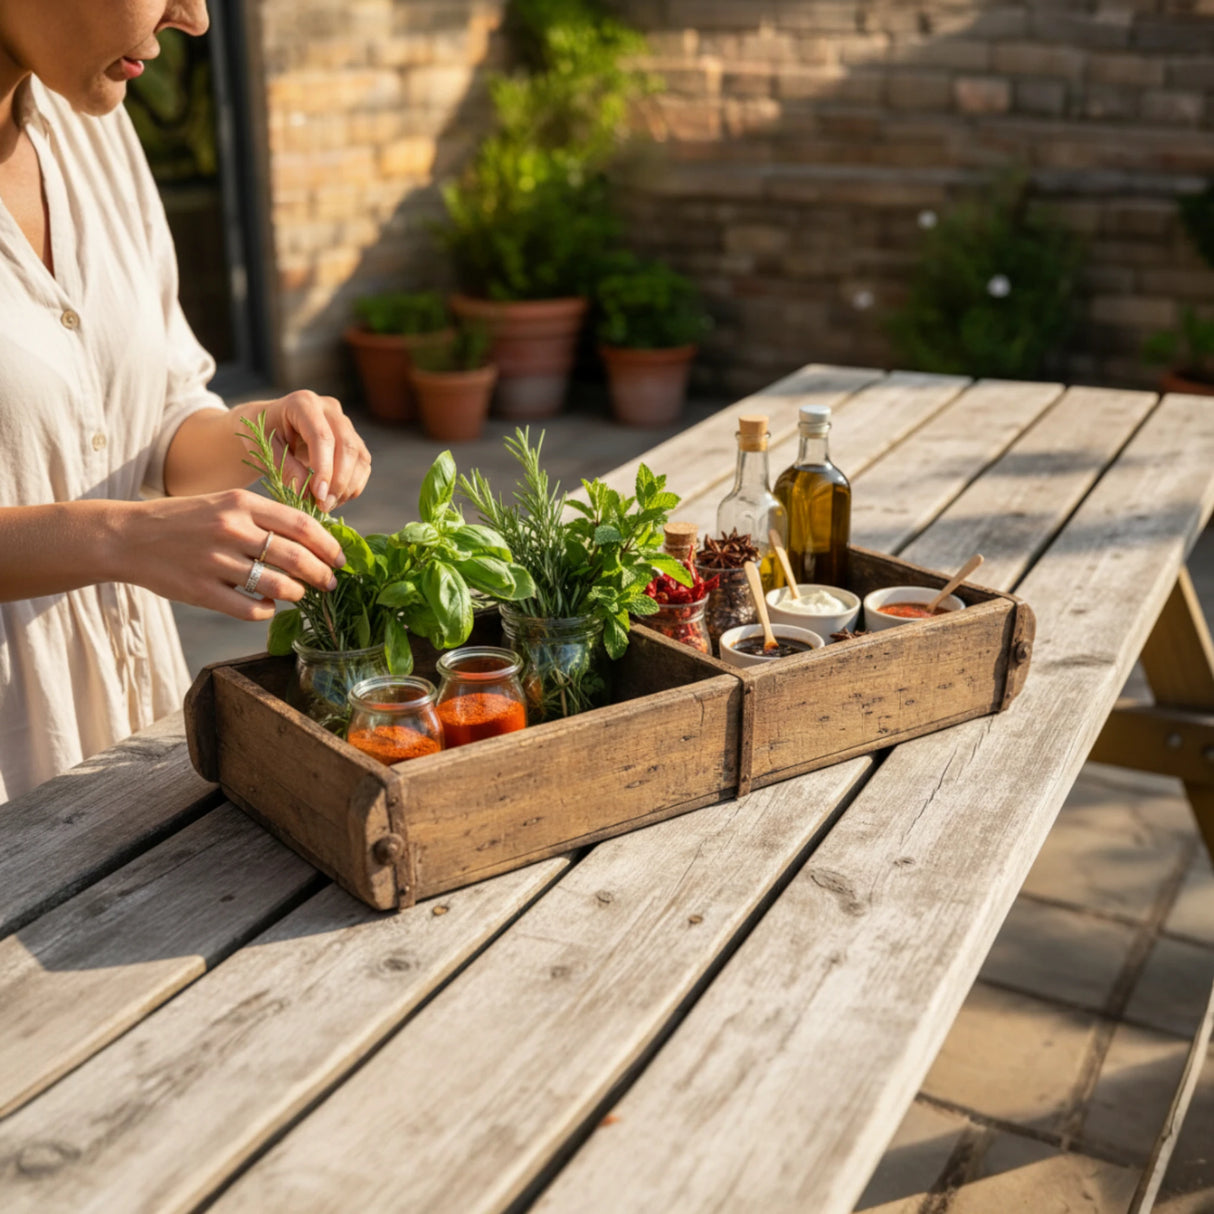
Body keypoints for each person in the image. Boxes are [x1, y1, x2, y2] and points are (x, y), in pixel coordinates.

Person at [0, 0, 373, 800]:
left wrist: (267, 433)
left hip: (131, 722)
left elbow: (155, 419)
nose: (197, 19)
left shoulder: (92, 127)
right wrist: (118, 539)